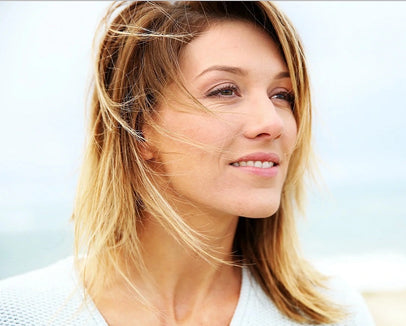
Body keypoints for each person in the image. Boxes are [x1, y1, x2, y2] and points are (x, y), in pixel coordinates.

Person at [0, 2, 374, 325]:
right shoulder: (18, 313)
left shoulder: (333, 315)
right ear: (140, 130)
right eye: (225, 90)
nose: (273, 123)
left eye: (282, 95)